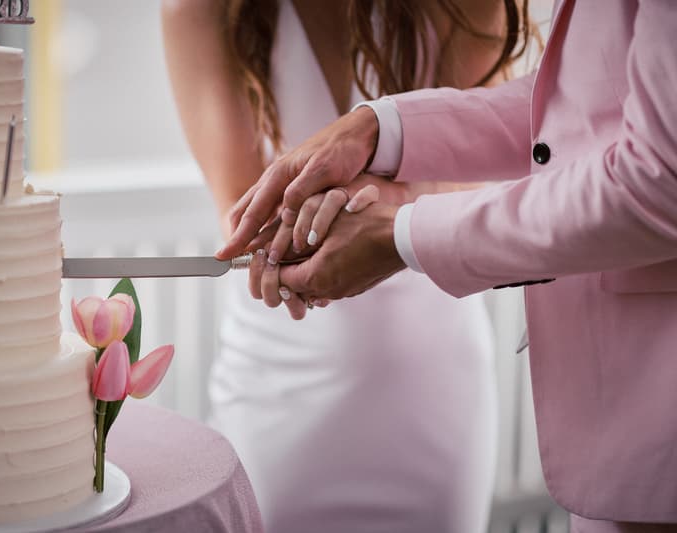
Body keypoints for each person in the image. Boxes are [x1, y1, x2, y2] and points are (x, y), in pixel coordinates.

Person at [218, 1, 677, 532]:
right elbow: (576, 103)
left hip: (650, 391)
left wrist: (402, 232)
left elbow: (660, 178)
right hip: (280, 381)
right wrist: (380, 127)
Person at [162, 1, 534, 531]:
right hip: (279, 377)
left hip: (430, 384)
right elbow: (244, 216)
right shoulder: (200, 10)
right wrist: (344, 211)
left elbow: (479, 157)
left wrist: (376, 197)